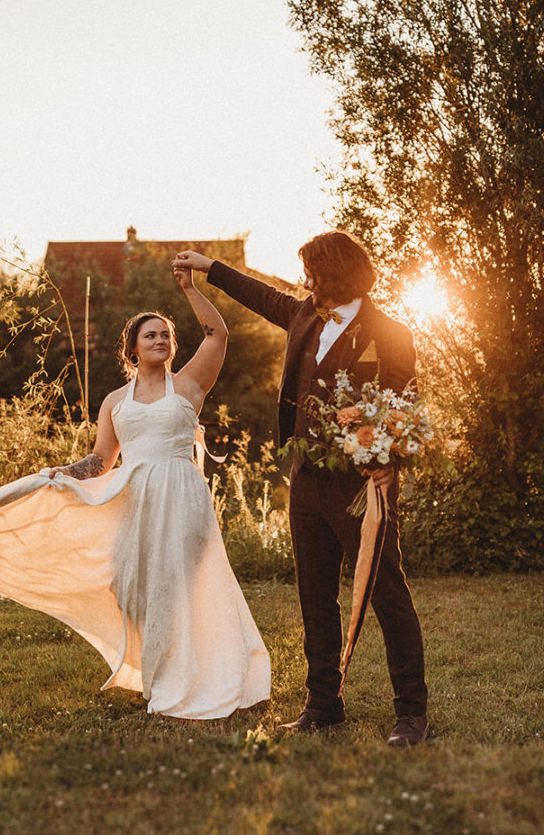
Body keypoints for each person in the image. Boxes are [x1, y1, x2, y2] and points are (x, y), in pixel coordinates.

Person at [0, 268, 270, 719]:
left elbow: (217, 333)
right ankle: (161, 671)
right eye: (151, 335)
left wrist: (189, 288)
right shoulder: (113, 402)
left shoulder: (189, 384)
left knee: (179, 586)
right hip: (135, 501)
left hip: (181, 497)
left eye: (166, 335)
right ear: (133, 348)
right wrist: (63, 474)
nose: (161, 340)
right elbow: (102, 460)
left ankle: (194, 677)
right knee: (131, 587)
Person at [173, 231, 430, 747]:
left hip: (361, 488)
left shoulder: (391, 332)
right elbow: (260, 293)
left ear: (333, 272)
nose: (305, 279)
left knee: (387, 595)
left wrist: (390, 462)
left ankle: (411, 714)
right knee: (315, 595)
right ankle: (323, 704)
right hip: (306, 479)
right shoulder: (305, 316)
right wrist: (208, 267)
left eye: (311, 270)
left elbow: (406, 404)